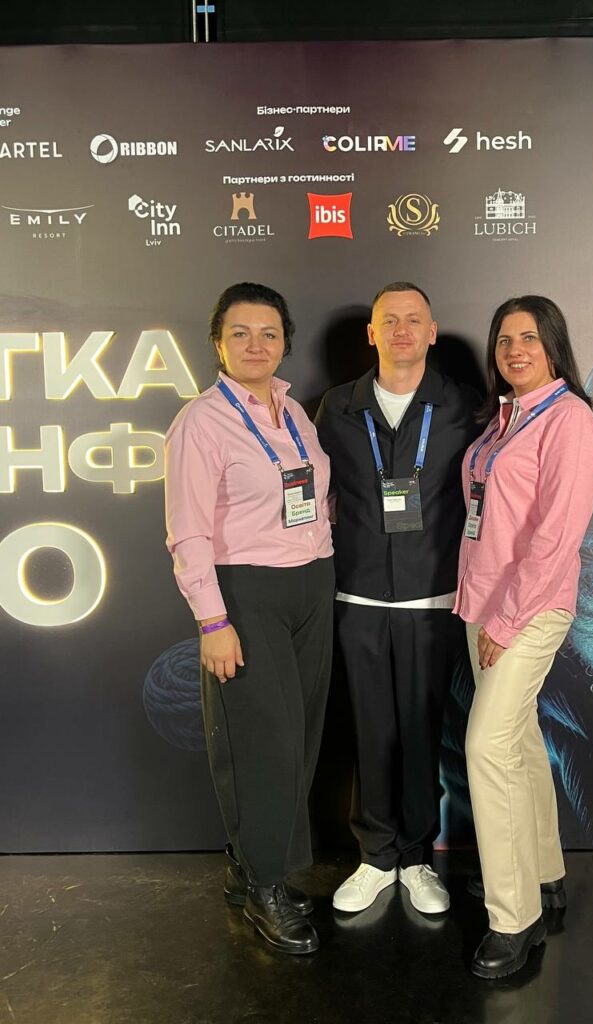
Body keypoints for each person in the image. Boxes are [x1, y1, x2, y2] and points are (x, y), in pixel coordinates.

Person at [164, 282, 334, 955]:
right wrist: (214, 621)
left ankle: (251, 865)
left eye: (268, 333)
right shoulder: (201, 422)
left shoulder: (294, 414)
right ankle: (266, 886)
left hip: (311, 585)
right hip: (247, 593)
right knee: (265, 745)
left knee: (301, 739)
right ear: (218, 343)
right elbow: (188, 531)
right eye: (240, 333)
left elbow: (312, 498)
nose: (256, 345)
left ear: (285, 342)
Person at [315, 282, 480, 915]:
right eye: (390, 320)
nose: (402, 330)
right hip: (357, 596)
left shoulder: (462, 406)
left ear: (432, 332)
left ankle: (416, 857)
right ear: (372, 333)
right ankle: (375, 856)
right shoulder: (338, 407)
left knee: (420, 731)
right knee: (369, 731)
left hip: (432, 599)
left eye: (414, 320)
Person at [455, 295, 593, 978]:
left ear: (553, 346)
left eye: (529, 338)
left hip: (529, 609)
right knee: (515, 742)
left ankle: (513, 919)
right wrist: (482, 609)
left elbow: (555, 537)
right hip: (482, 604)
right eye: (504, 340)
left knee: (486, 746)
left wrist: (507, 619)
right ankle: (544, 874)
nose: (515, 350)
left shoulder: (569, 419)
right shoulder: (503, 419)